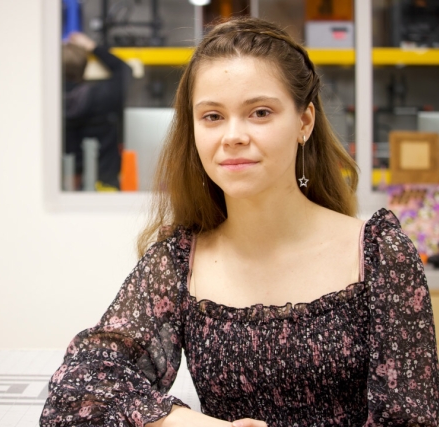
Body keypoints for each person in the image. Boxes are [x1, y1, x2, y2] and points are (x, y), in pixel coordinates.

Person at [41, 17, 439, 427]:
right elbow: (79, 388)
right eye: (212, 116)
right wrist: (188, 422)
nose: (233, 135)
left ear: (304, 122)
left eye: (260, 112)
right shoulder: (179, 261)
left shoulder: (378, 254)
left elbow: (412, 418)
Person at [62, 32, 132, 190]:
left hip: (64, 189)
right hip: (104, 187)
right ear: (84, 67)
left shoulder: (47, 105)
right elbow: (124, 70)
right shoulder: (102, 96)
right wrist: (91, 46)